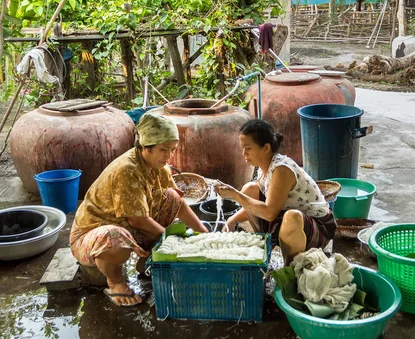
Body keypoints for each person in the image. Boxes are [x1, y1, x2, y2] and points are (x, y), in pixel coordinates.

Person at [70, 113, 208, 307]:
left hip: (127, 225)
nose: (169, 156)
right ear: (146, 147)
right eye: (163, 150)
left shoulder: (160, 167)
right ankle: (115, 282)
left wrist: (206, 235)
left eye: (172, 150)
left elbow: (178, 204)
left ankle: (149, 261)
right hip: (92, 235)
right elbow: (137, 220)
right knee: (114, 237)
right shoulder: (127, 170)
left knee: (172, 196)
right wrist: (175, 240)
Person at [214, 119, 337, 265]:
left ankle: (291, 268)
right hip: (286, 216)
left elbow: (269, 213)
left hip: (316, 227)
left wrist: (234, 194)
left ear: (266, 148)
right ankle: (265, 243)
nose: (243, 153)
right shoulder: (264, 166)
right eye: (242, 148)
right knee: (250, 190)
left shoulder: (281, 170)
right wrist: (232, 220)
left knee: (291, 217)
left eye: (248, 148)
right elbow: (256, 205)